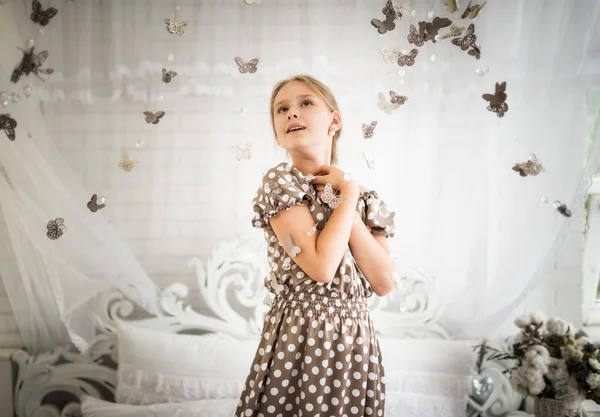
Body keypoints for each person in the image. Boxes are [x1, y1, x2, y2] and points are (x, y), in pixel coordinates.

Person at [235, 75, 396, 417]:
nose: (292, 113)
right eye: (282, 109)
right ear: (277, 132)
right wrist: (347, 195)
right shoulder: (281, 184)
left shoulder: (365, 198)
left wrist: (347, 195)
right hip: (302, 334)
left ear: (334, 121)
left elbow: (383, 282)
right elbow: (322, 268)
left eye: (305, 103)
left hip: (355, 342)